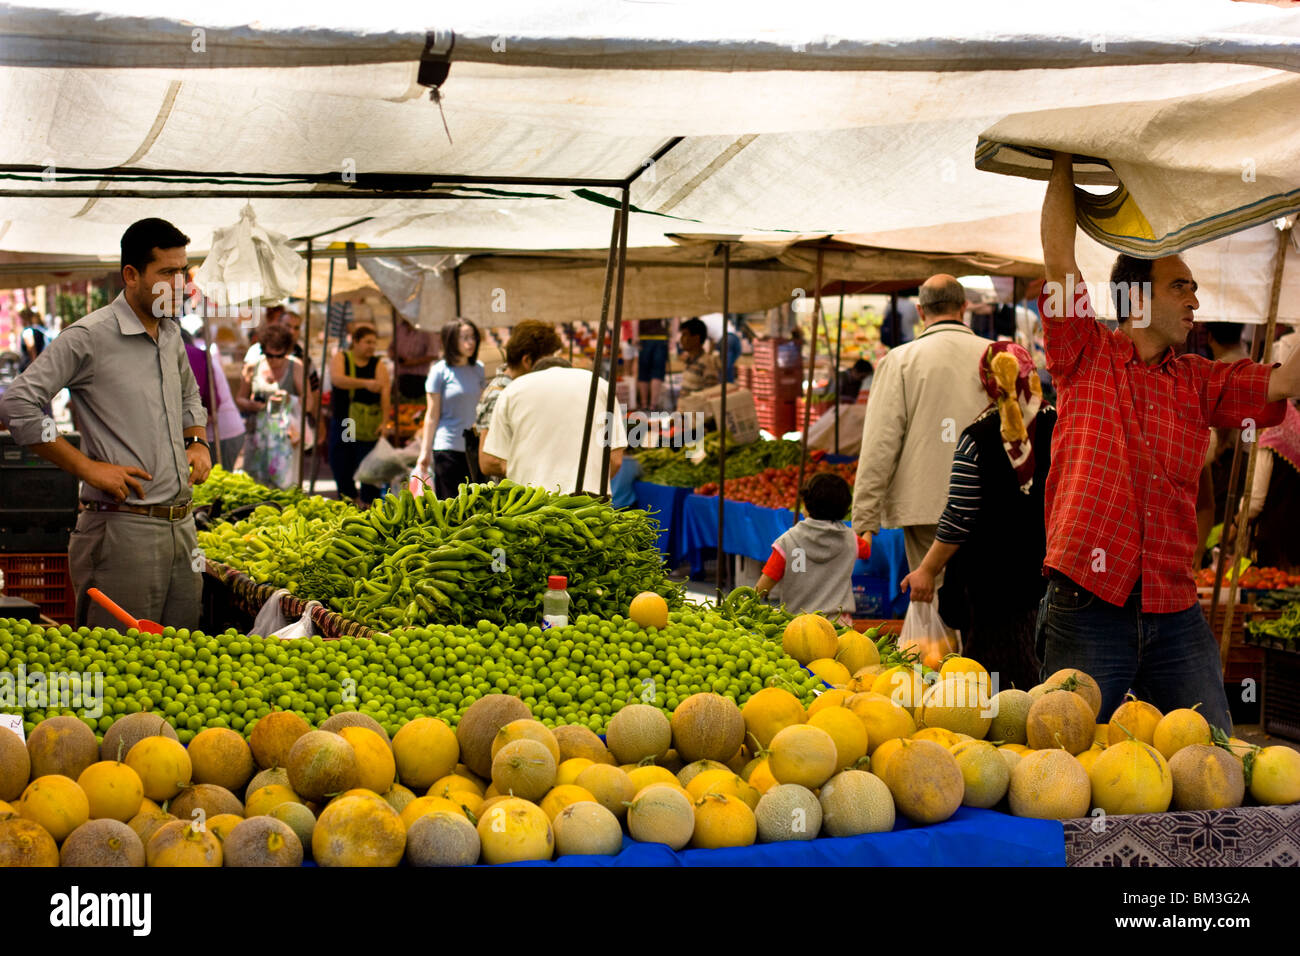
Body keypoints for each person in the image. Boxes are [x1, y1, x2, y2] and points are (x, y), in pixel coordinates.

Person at [1034, 151, 1300, 731]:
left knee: (1213, 754)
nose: (1196, 301)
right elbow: (1060, 258)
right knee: (1061, 759)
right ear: (1136, 299)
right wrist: (1061, 156)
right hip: (1088, 597)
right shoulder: (1086, 353)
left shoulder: (1199, 381)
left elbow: (1288, 380)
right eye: (1180, 286)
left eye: (1195, 288)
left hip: (1173, 605)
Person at [0, 218, 210, 629]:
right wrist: (86, 467)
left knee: (183, 666)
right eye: (167, 272)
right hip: (120, 532)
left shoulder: (170, 333)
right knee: (119, 668)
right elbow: (18, 404)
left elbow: (189, 396)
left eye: (183, 271)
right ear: (130, 275)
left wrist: (198, 440)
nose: (179, 283)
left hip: (182, 530)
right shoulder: (89, 336)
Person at [899, 342, 1057, 691]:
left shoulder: (976, 438)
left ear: (987, 382)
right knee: (1047, 685)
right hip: (1052, 583)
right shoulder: (1063, 427)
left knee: (990, 691)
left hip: (989, 589)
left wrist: (926, 569)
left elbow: (959, 516)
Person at [852, 275, 989, 593]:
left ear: (920, 310)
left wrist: (864, 519)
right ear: (964, 308)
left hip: (927, 504)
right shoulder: (998, 355)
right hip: (988, 503)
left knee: (937, 599)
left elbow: (880, 442)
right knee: (982, 603)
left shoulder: (900, 361)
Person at [480, 364, 627, 494]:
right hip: (589, 501)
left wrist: (525, 471)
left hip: (528, 503)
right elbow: (615, 460)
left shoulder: (513, 389)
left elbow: (490, 461)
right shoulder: (600, 385)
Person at [755, 473, 871, 624]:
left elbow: (763, 587)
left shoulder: (788, 541)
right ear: (844, 509)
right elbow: (866, 549)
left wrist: (744, 604)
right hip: (838, 626)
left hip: (797, 626)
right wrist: (868, 528)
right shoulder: (850, 539)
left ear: (806, 505)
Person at [236, 324, 315, 489]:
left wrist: (289, 399)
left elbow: (309, 403)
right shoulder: (253, 366)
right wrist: (252, 405)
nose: (274, 360)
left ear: (286, 351)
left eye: (279, 356)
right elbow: (240, 399)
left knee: (285, 484)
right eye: (269, 355)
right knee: (255, 483)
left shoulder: (296, 366)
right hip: (257, 435)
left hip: (285, 438)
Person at [417, 319, 485, 499]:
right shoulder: (439, 371)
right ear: (451, 341)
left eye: (473, 337)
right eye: (464, 338)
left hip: (474, 449)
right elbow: (431, 415)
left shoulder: (479, 369)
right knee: (450, 505)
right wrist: (424, 452)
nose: (470, 342)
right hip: (447, 448)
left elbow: (481, 409)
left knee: (475, 504)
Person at [328, 324, 391, 506]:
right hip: (347, 421)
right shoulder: (342, 358)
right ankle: (348, 499)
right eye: (367, 342)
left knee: (369, 465)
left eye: (374, 343)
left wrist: (385, 423)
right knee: (342, 461)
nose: (371, 346)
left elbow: (385, 393)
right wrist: (365, 383)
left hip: (369, 422)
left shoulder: (378, 364)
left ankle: (369, 503)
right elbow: (337, 380)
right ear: (355, 342)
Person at [475, 320, 562, 444]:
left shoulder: (520, 389)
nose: (549, 368)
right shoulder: (499, 396)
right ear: (527, 360)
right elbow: (490, 458)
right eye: (546, 362)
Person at [1244, 399, 1300, 572]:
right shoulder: (1295, 430)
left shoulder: (1270, 439)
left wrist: (1235, 526)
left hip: (1272, 544)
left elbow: (1254, 503)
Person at [391, 315, 441, 402]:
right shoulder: (400, 328)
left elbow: (434, 354)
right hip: (400, 376)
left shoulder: (426, 330)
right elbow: (391, 348)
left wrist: (413, 362)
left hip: (418, 379)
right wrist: (395, 357)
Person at [678, 317, 723, 398]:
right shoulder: (689, 360)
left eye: (684, 335)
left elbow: (710, 395)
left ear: (696, 338)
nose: (681, 339)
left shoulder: (707, 363)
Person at [637, 318, 670, 410]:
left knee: (643, 372)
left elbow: (636, 318)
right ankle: (653, 405)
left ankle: (644, 404)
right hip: (661, 337)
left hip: (644, 337)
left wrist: (636, 336)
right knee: (657, 372)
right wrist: (673, 338)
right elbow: (674, 317)